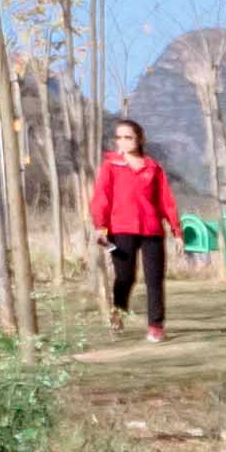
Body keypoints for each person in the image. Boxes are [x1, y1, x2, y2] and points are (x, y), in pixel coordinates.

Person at [90, 113, 181, 341]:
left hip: (151, 231)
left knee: (154, 279)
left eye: (128, 137)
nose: (123, 142)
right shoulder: (110, 166)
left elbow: (166, 201)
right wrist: (100, 226)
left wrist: (176, 231)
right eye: (119, 138)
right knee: (125, 277)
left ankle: (155, 326)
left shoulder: (154, 168)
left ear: (139, 139)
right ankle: (118, 313)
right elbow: (102, 197)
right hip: (120, 230)